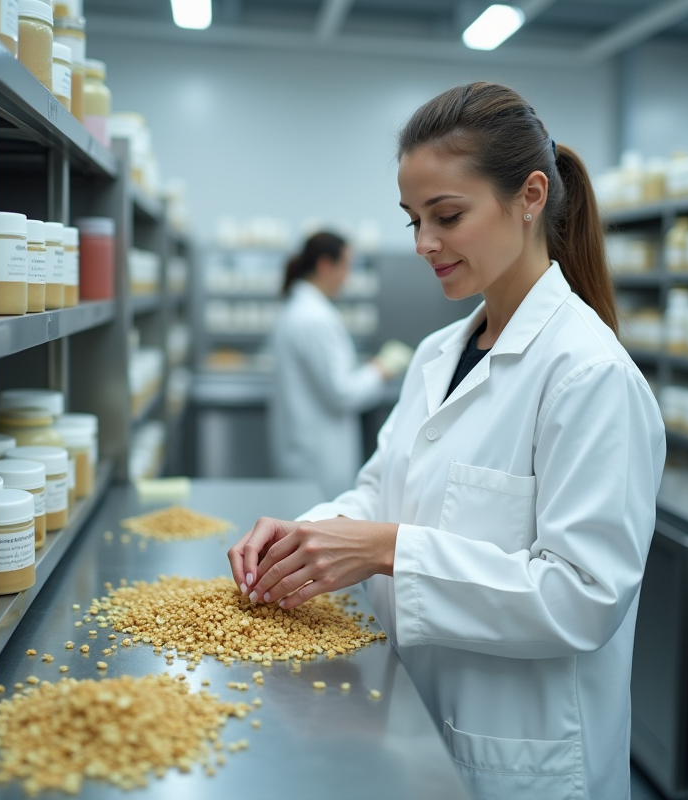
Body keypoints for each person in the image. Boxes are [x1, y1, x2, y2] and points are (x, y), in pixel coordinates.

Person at [230, 82, 665, 800]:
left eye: (447, 215)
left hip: (526, 758)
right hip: (415, 726)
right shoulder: (439, 354)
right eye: (413, 221)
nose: (425, 243)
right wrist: (307, 535)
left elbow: (584, 595)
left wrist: (385, 548)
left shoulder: (589, 376)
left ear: (529, 197)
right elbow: (380, 488)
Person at [267, 232, 411, 498]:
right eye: (346, 266)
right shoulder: (315, 318)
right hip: (319, 459)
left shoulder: (297, 309)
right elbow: (342, 394)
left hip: (303, 450)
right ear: (325, 265)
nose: (348, 276)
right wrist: (380, 369)